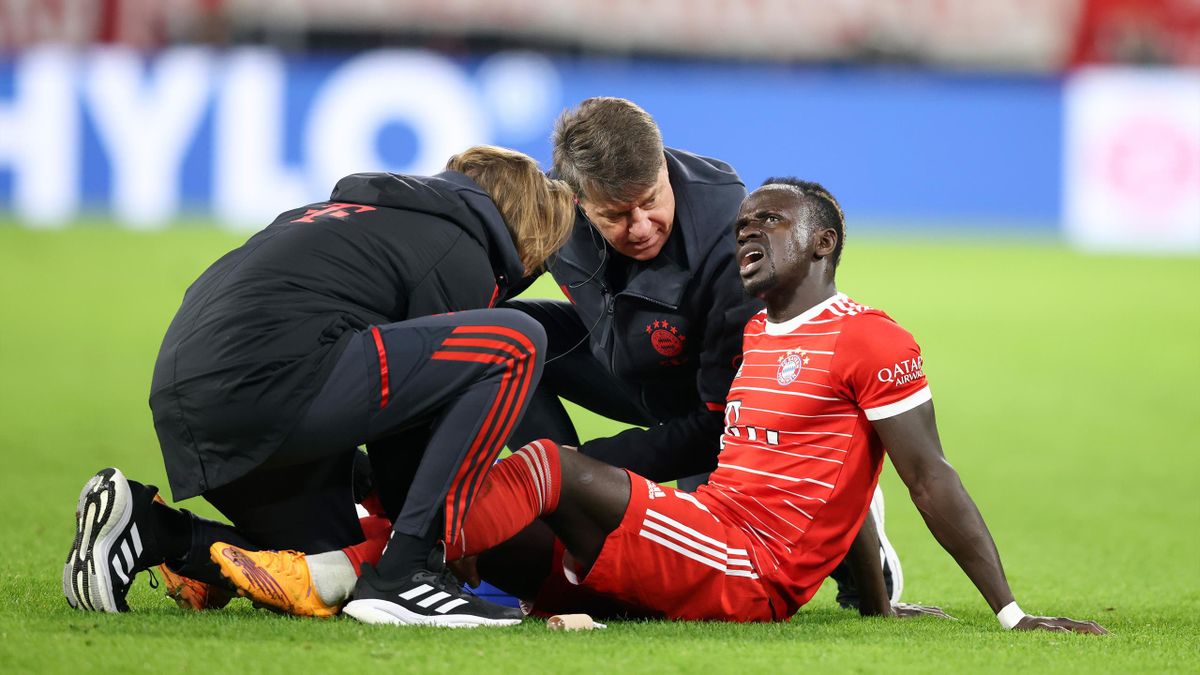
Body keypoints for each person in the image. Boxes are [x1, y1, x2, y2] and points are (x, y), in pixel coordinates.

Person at [443, 179, 1108, 631]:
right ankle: (399, 554)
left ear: (823, 243)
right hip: (706, 528)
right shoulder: (759, 332)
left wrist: (1012, 614)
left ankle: (407, 564)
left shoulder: (870, 338)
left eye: (770, 220)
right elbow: (843, 484)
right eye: (741, 225)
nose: (747, 233)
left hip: (751, 565)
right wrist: (877, 609)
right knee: (495, 533)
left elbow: (929, 478)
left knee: (552, 466)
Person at [62, 146, 576, 627]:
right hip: (269, 384)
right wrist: (436, 543)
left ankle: (151, 529)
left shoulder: (352, 215)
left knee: (332, 567)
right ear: (526, 227)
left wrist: (376, 492)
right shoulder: (460, 247)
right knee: (517, 339)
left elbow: (394, 401)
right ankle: (406, 578)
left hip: (195, 400)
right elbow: (411, 432)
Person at [506, 96, 900, 606]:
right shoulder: (554, 204)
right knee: (503, 340)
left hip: (720, 410)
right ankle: (558, 513)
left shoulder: (734, 240)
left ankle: (861, 545)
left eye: (650, 201)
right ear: (579, 201)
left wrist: (590, 466)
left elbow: (716, 423)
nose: (640, 226)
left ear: (663, 168)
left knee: (710, 550)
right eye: (616, 214)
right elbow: (485, 284)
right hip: (625, 366)